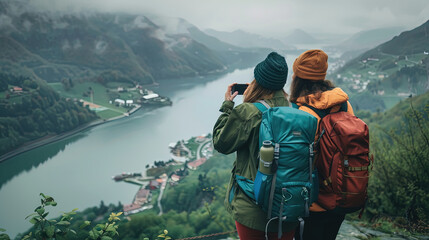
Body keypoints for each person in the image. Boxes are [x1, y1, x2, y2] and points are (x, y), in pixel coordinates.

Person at [212, 52, 296, 240]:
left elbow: (221, 143)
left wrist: (227, 105)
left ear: (258, 81)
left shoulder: (248, 111)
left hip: (252, 208)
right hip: (289, 205)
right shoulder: (295, 110)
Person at [289, 49, 354, 240]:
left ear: (298, 78)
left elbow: (297, 162)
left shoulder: (303, 114)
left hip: (314, 203)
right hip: (341, 195)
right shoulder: (344, 105)